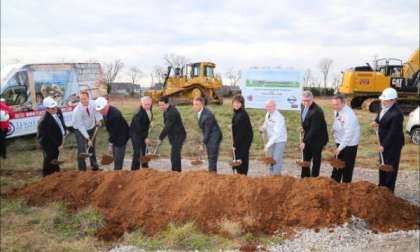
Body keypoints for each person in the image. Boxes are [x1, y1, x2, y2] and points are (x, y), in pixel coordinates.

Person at [371, 88, 404, 192]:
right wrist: (376, 122)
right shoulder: (383, 106)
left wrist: (383, 145)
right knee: (383, 164)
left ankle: (389, 190)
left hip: (393, 144)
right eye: (383, 100)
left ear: (393, 100)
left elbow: (393, 133)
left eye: (386, 100)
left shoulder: (397, 114)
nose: (383, 102)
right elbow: (380, 117)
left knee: (390, 167)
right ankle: (381, 186)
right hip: (384, 140)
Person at [330, 94, 360, 183]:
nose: (335, 107)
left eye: (337, 104)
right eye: (333, 104)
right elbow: (337, 120)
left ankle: (346, 186)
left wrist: (340, 148)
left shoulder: (349, 116)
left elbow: (349, 134)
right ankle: (334, 182)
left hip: (350, 144)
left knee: (347, 167)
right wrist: (334, 129)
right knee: (337, 163)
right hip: (340, 140)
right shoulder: (337, 110)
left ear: (343, 103)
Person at [95, 97, 129, 170]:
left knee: (118, 157)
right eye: (100, 111)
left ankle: (118, 172)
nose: (101, 112)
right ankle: (116, 170)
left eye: (102, 110)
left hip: (121, 137)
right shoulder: (105, 111)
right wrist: (101, 122)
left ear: (106, 106)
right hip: (115, 134)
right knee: (115, 155)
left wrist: (110, 143)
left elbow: (115, 132)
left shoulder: (115, 115)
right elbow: (109, 125)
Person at [300, 90, 329, 178]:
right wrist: (303, 127)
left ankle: (314, 179)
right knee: (306, 158)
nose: (306, 102)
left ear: (312, 99)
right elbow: (306, 122)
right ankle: (305, 177)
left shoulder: (317, 111)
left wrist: (304, 141)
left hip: (318, 139)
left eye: (308, 100)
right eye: (304, 100)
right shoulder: (302, 107)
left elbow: (314, 129)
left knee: (316, 160)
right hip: (309, 136)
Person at [72, 91, 102, 171]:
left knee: (92, 147)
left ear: (88, 98)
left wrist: (98, 120)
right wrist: (88, 139)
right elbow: (80, 126)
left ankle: (94, 166)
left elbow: (97, 111)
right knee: (82, 149)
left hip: (91, 127)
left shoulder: (93, 103)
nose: (83, 101)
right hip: (79, 130)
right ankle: (82, 170)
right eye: (81, 99)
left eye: (84, 99)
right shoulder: (77, 110)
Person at [192, 97, 223, 173]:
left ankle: (212, 175)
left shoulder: (207, 115)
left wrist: (202, 143)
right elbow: (205, 130)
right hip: (209, 134)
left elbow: (207, 131)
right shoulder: (200, 112)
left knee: (212, 156)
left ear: (202, 104)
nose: (194, 106)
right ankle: (211, 172)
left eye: (197, 104)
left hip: (214, 136)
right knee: (210, 155)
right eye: (193, 104)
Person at [37, 97, 66, 176]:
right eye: (52, 108)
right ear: (47, 109)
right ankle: (46, 176)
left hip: (55, 140)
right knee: (50, 159)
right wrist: (59, 145)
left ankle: (56, 172)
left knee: (55, 157)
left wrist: (64, 130)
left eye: (55, 107)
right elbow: (49, 136)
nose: (55, 109)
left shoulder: (57, 111)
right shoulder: (44, 121)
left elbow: (61, 122)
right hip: (47, 143)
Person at [158, 96, 186, 172]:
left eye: (162, 105)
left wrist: (160, 138)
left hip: (179, 135)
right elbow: (166, 125)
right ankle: (175, 172)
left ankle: (176, 172)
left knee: (175, 155)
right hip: (173, 135)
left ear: (167, 104)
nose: (160, 107)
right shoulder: (166, 111)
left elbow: (167, 127)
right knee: (174, 154)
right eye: (159, 105)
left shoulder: (172, 112)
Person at [259, 100, 287, 175]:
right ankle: (272, 174)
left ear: (275, 106)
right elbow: (266, 122)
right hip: (271, 140)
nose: (269, 108)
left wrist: (267, 145)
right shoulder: (268, 114)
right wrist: (263, 127)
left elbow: (277, 134)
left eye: (271, 106)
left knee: (276, 159)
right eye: (267, 106)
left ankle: (276, 176)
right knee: (271, 158)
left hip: (279, 140)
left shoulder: (279, 117)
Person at [231, 95, 253, 175]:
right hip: (239, 140)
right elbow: (236, 127)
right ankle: (238, 176)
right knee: (237, 157)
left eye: (238, 103)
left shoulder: (243, 115)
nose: (236, 104)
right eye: (234, 102)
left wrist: (235, 144)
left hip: (244, 141)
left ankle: (242, 177)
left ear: (242, 104)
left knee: (241, 158)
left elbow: (241, 132)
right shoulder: (236, 113)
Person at [130, 96, 153, 170]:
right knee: (137, 151)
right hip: (136, 134)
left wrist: (150, 123)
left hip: (143, 132)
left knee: (144, 150)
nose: (147, 106)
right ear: (141, 103)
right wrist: (145, 137)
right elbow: (138, 129)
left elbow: (148, 118)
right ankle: (134, 169)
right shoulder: (138, 114)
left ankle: (145, 167)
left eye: (149, 104)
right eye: (145, 104)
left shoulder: (149, 109)